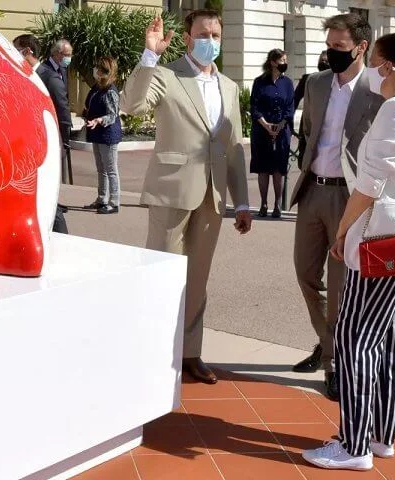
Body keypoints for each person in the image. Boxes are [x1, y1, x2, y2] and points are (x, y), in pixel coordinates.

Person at [302, 33, 395, 471]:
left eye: (375, 65)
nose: (370, 75)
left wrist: (342, 233)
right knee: (391, 340)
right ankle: (381, 435)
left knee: (355, 339)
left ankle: (354, 443)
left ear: (387, 67)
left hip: (381, 243)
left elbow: (368, 186)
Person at [121, 10, 252, 384]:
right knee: (160, 274)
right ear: (187, 38)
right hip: (171, 192)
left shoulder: (228, 86)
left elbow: (234, 147)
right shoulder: (166, 74)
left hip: (211, 198)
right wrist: (150, 56)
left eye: (215, 33)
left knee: (197, 279)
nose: (210, 40)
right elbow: (132, 105)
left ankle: (190, 352)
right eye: (203, 33)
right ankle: (152, 350)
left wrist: (241, 202)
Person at [288, 13, 384, 401]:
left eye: (339, 46)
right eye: (328, 44)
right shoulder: (316, 84)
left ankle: (332, 362)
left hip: (350, 197)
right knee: (305, 273)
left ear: (361, 48)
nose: (331, 52)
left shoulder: (378, 90)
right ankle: (329, 342)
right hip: (313, 191)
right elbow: (310, 131)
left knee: (342, 286)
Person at [14, 34, 70, 234]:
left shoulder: (49, 77)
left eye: (16, 49)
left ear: (27, 51)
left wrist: (62, 145)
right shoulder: (26, 75)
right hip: (31, 147)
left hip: (49, 147)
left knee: (47, 198)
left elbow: (63, 114)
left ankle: (63, 239)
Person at [249, 49, 295, 218]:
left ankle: (277, 205)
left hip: (282, 132)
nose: (284, 63)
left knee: (278, 169)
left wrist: (282, 124)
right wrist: (266, 125)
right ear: (273, 62)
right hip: (262, 131)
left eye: (285, 60)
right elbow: (254, 106)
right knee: (263, 169)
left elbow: (290, 106)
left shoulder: (288, 83)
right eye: (282, 60)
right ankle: (263, 204)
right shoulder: (259, 82)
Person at [82, 56, 122, 214]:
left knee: (111, 169)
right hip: (97, 132)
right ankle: (102, 198)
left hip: (108, 134)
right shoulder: (97, 87)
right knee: (101, 169)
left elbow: (112, 115)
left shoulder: (111, 91)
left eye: (98, 67)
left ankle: (114, 202)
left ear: (105, 71)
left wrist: (98, 120)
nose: (95, 70)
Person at [295, 51, 330, 168]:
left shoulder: (336, 80)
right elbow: (293, 101)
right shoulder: (308, 79)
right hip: (308, 125)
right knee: (304, 160)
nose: (323, 62)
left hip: (327, 126)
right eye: (321, 60)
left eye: (326, 60)